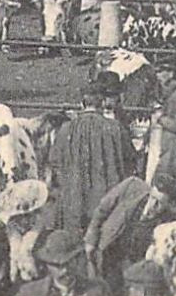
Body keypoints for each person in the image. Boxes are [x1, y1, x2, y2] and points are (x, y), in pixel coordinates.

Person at [47, 76, 133, 231]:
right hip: (105, 198)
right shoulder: (115, 128)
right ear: (102, 103)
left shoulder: (66, 129)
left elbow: (55, 161)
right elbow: (130, 159)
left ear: (82, 104)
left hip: (73, 199)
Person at [84, 171, 176, 295]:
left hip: (132, 268)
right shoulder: (131, 186)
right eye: (153, 198)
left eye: (160, 203)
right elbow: (102, 210)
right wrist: (91, 239)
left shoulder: (168, 223)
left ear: (169, 204)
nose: (153, 205)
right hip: (107, 251)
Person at [13, 230, 104, 296]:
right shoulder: (30, 294)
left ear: (76, 260)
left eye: (68, 263)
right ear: (47, 264)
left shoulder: (98, 291)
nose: (65, 271)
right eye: (58, 266)